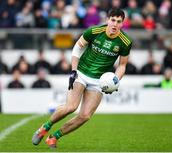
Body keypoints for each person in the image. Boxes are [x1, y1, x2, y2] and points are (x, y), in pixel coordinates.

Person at [32, 8, 132, 148]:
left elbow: (122, 65)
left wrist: (115, 81)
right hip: (82, 73)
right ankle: (45, 127)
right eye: (113, 20)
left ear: (122, 24)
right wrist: (73, 70)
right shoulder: (94, 31)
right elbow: (77, 48)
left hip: (99, 81)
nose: (115, 24)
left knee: (85, 116)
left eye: (119, 22)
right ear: (107, 20)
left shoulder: (125, 42)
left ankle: (53, 138)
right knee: (71, 107)